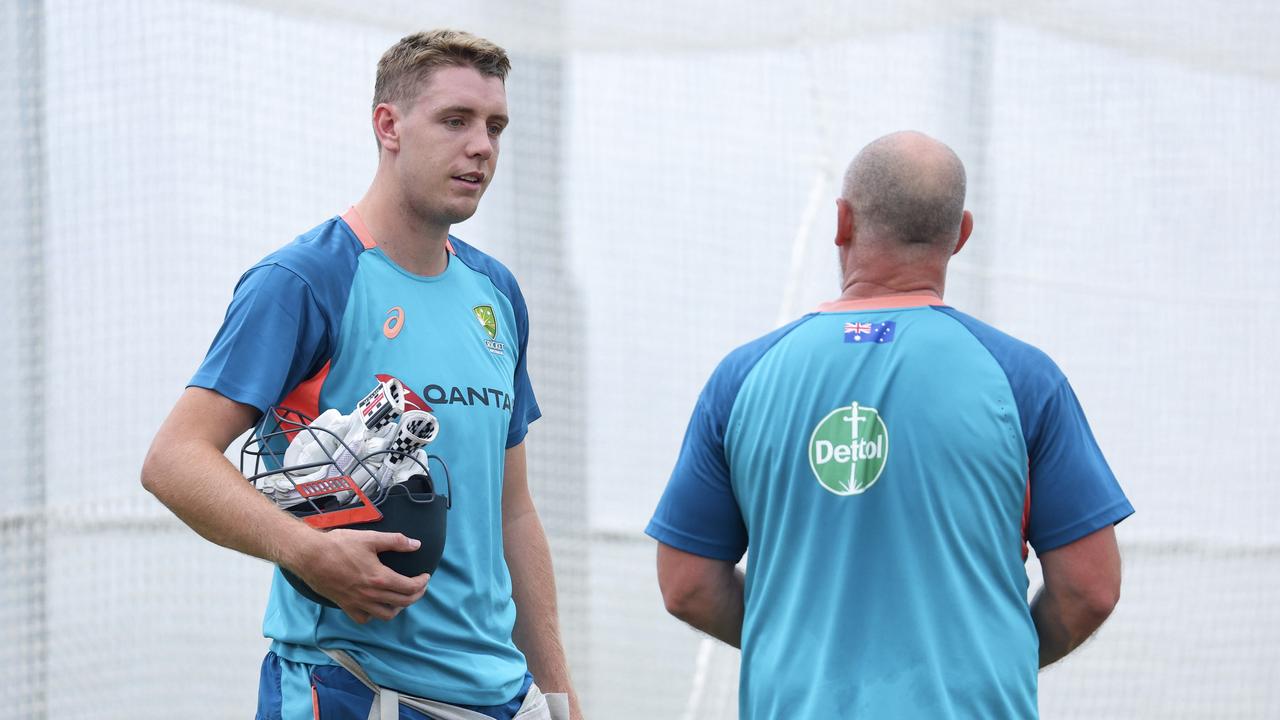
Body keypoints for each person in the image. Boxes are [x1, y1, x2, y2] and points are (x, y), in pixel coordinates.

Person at [141, 29, 580, 720]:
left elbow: (512, 510)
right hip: (349, 689)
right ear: (389, 126)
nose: (482, 146)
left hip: (495, 700)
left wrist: (557, 696)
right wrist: (307, 553)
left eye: (495, 126)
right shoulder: (305, 278)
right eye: (456, 120)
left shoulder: (496, 293)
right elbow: (173, 459)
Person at [646, 131, 1132, 718]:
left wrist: (800, 654)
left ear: (842, 222)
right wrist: (990, 658)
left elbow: (687, 583)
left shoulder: (744, 377)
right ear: (961, 234)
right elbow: (1090, 589)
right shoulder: (1023, 379)